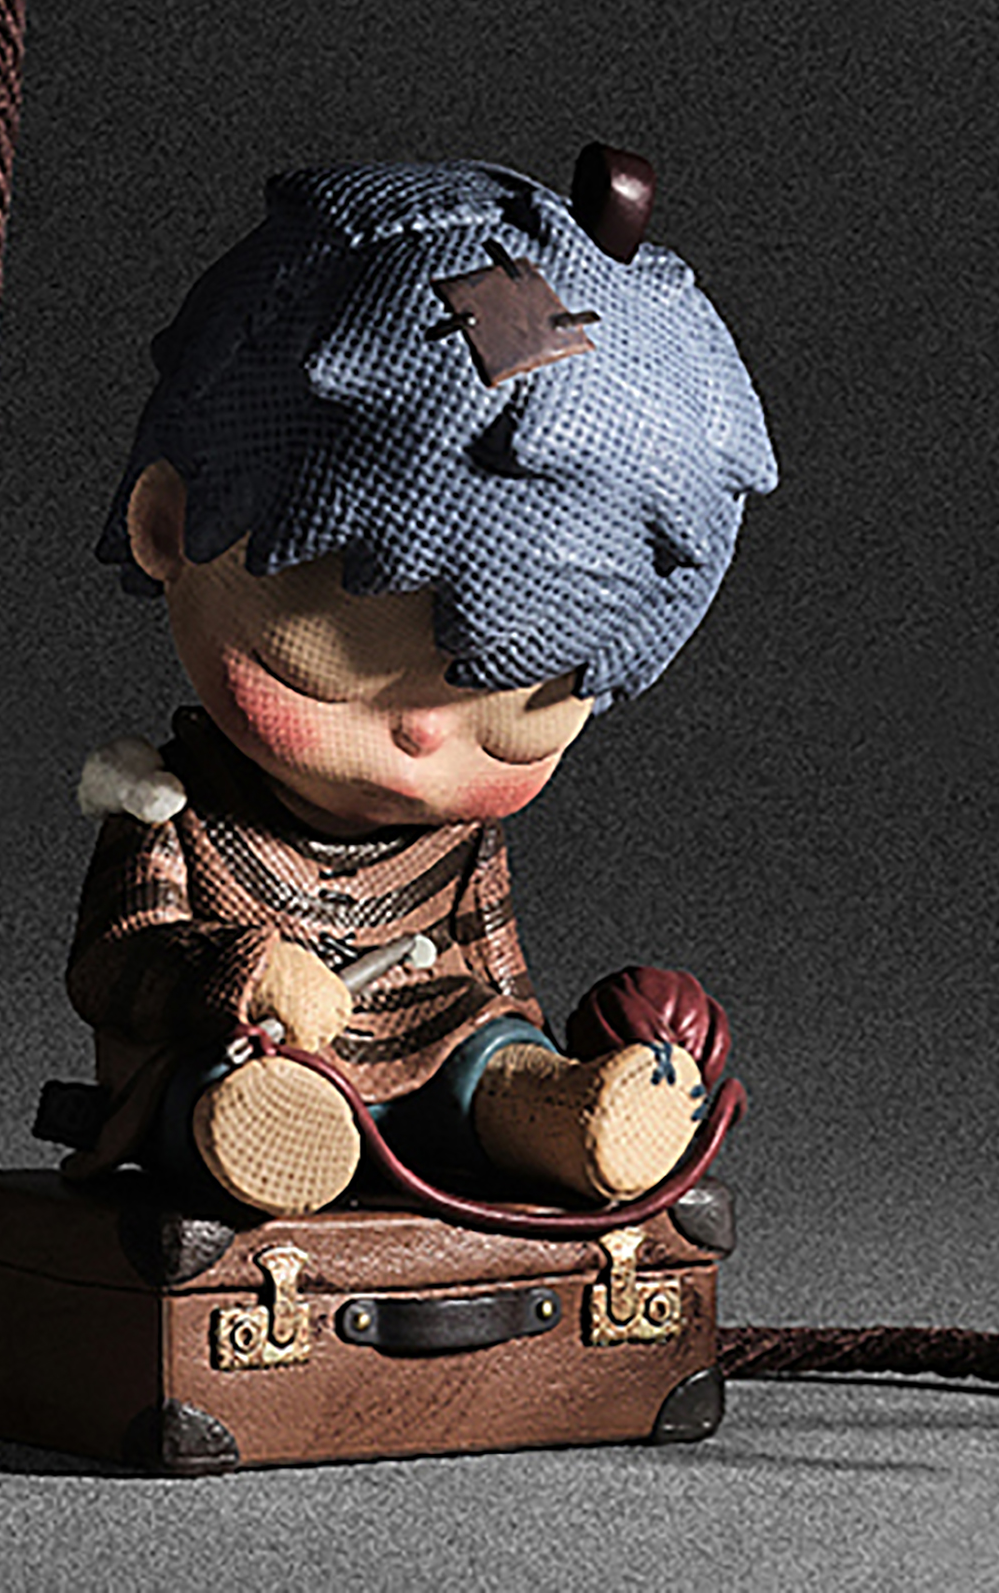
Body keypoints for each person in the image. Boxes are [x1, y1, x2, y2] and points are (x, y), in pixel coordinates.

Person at [63, 153, 776, 1216]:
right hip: (246, 1046)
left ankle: (563, 1120)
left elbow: (496, 980)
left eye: (515, 723)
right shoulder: (171, 810)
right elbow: (114, 965)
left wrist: (539, 1051)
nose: (427, 738)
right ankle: (275, 1138)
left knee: (488, 1048)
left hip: (430, 1049)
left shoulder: (460, 840)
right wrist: (244, 971)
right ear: (168, 525)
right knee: (229, 1085)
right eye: (339, 668)